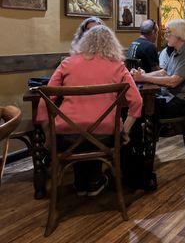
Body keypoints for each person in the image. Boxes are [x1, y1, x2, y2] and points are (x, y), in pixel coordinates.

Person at [37, 25, 143, 197]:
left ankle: (83, 184)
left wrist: (49, 135)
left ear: (84, 42)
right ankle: (93, 182)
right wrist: (125, 130)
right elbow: (137, 101)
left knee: (80, 131)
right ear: (112, 44)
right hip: (106, 136)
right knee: (93, 131)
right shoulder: (118, 66)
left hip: (65, 137)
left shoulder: (67, 64)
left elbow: (44, 102)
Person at [131, 19, 185, 119]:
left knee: (140, 107)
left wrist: (143, 78)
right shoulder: (175, 51)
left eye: (168, 32)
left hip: (182, 102)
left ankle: (131, 134)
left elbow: (173, 82)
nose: (165, 36)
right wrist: (141, 75)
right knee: (136, 103)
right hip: (168, 96)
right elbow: (163, 72)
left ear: (179, 35)